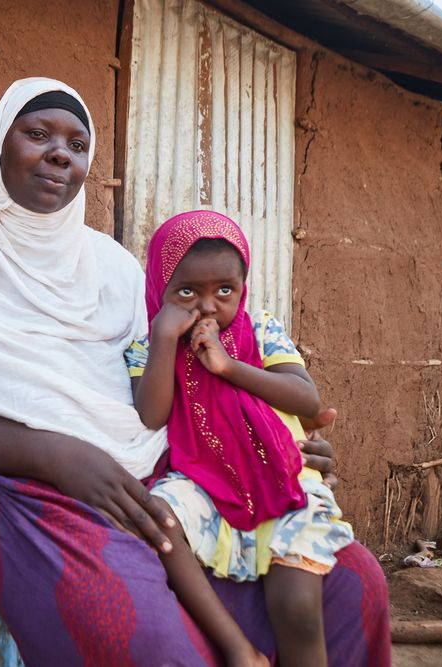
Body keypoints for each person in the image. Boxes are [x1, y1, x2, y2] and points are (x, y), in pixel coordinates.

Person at [0, 77, 389, 665]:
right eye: (37, 134)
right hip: (10, 487)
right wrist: (53, 455)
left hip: (152, 476)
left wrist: (268, 438)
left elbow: (175, 389)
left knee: (352, 583)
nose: (60, 153)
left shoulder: (112, 269)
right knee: (137, 632)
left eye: (76, 142)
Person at [130, 211, 355, 666]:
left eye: (225, 291)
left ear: (242, 288)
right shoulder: (150, 345)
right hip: (200, 483)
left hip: (279, 474)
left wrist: (228, 367)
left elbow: (306, 400)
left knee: (296, 605)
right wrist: (163, 340)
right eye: (188, 292)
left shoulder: (259, 330)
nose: (208, 307)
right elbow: (152, 415)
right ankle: (238, 649)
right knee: (161, 518)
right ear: (160, 288)